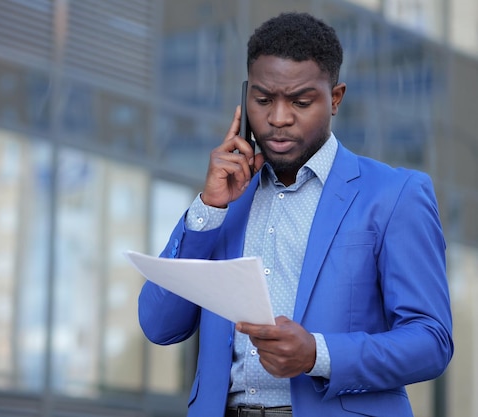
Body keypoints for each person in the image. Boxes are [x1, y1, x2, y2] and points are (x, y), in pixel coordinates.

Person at [137, 11, 453, 417]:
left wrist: (317, 355)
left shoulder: (394, 195)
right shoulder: (228, 196)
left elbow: (431, 342)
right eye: (263, 100)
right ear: (245, 95)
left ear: (335, 98)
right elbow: (159, 325)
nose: (278, 118)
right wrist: (209, 208)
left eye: (301, 102)